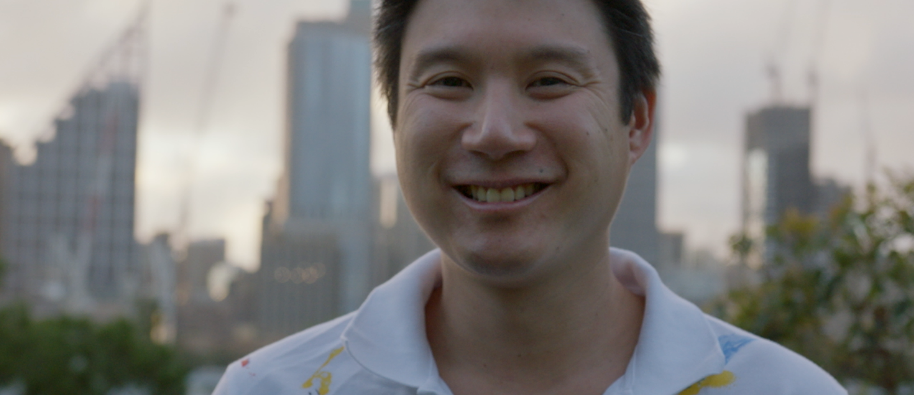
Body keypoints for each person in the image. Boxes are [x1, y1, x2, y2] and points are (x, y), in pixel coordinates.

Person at [213, 0, 845, 393]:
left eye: (548, 81)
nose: (494, 132)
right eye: (449, 81)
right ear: (395, 117)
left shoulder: (783, 389)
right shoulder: (274, 387)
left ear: (638, 121)